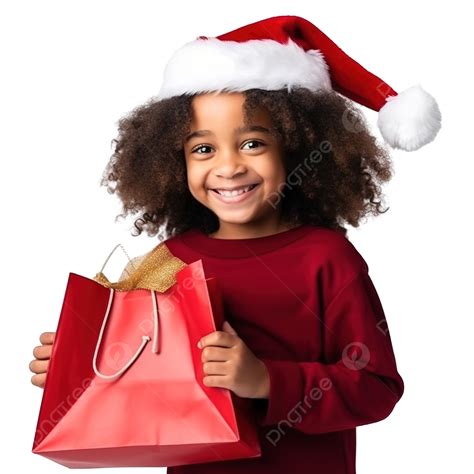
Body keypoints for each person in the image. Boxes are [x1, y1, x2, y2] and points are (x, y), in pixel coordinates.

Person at [29, 15, 441, 474]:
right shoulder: (172, 260)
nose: (227, 167)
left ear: (297, 148)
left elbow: (376, 387)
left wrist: (267, 380)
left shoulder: (327, 259)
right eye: (203, 149)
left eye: (252, 143)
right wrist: (78, 366)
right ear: (172, 161)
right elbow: (142, 376)